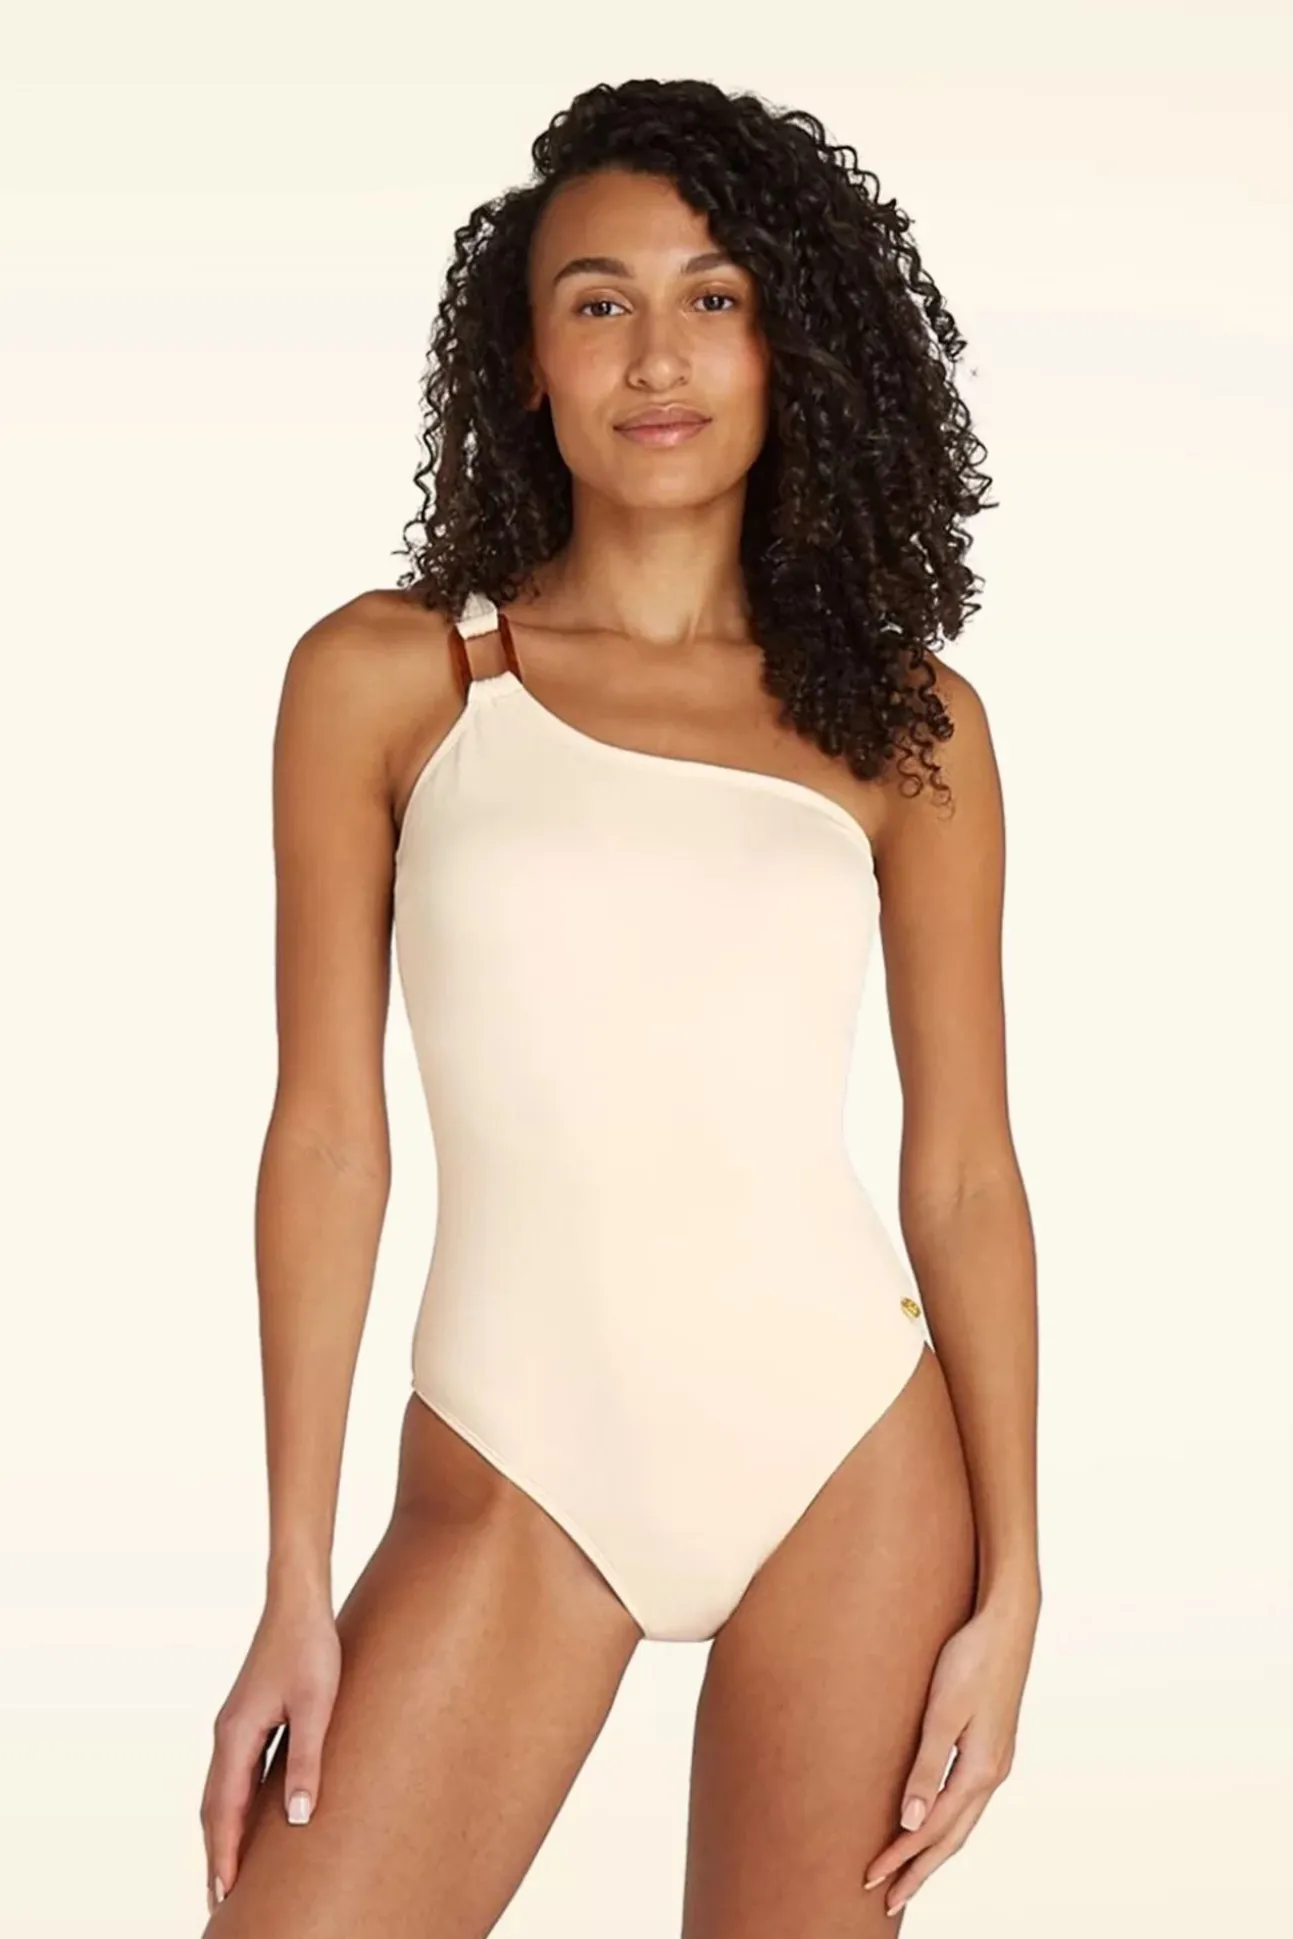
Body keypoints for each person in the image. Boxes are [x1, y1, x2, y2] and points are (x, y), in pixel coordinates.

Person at [198, 75, 1041, 1936]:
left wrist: (1018, 1586)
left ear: (787, 344)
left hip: (849, 1458)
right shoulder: (391, 678)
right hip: (513, 1462)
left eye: (713, 297)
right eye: (600, 302)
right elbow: (328, 1138)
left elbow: (967, 1170)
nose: (659, 356)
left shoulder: (908, 727)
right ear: (527, 359)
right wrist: (293, 1576)